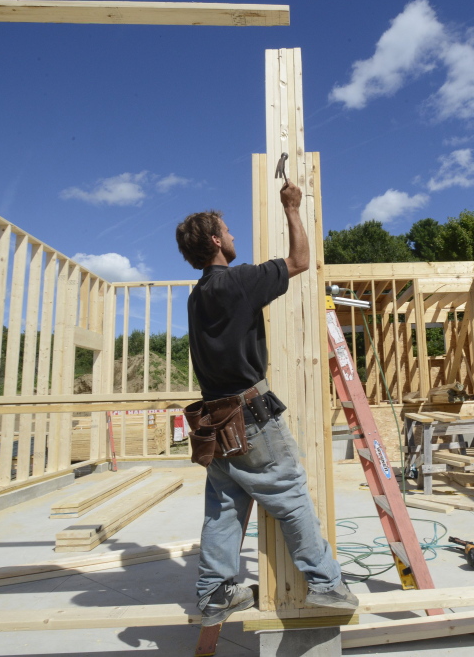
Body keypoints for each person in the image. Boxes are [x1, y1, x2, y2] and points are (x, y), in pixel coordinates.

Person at [175, 178, 358, 626]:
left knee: (224, 505)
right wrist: (292, 207)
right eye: (228, 230)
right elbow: (300, 261)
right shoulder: (236, 282)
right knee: (289, 493)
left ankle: (214, 593)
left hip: (215, 421)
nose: (234, 235)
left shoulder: (197, 296)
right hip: (249, 417)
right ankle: (326, 584)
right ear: (216, 241)